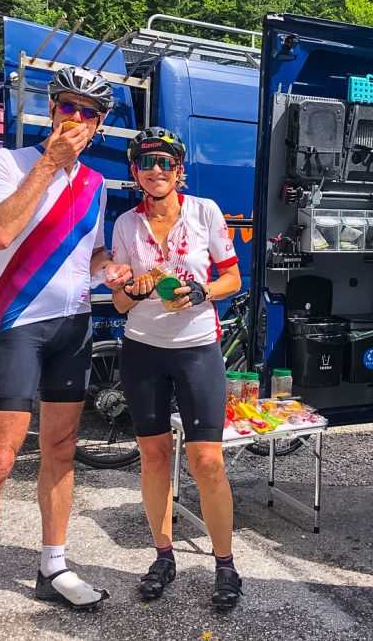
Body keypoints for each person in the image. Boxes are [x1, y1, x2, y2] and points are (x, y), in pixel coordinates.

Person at [0, 66, 132, 641]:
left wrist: (110, 267)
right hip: (21, 325)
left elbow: (91, 249)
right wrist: (49, 163)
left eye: (87, 113)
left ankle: (53, 565)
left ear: (99, 125)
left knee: (60, 451)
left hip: (74, 327)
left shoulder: (98, 185)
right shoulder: (11, 162)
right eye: (67, 108)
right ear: (52, 112)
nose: (75, 120)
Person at [111, 127, 244, 609]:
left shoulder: (205, 211)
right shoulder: (126, 225)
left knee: (207, 461)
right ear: (135, 172)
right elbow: (121, 304)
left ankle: (226, 565)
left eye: (165, 162)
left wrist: (203, 291)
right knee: (153, 457)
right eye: (146, 163)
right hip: (143, 349)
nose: (156, 170)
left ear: (178, 170)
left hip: (196, 348)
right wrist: (135, 290)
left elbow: (232, 276)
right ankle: (163, 555)